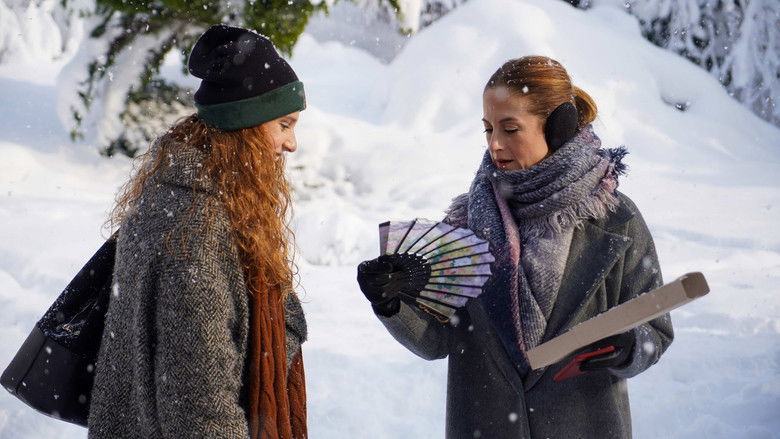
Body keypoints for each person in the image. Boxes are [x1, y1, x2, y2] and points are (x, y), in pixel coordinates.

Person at [356, 56, 674, 438]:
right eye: (488, 129)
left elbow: (655, 328)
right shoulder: (468, 224)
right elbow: (437, 341)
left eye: (510, 129)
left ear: (558, 127)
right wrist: (392, 303)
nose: (495, 144)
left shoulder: (615, 218)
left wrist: (629, 345)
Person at [87, 24, 308, 439]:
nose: (292, 143)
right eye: (284, 123)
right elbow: (200, 409)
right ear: (247, 126)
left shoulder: (179, 195)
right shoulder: (197, 232)